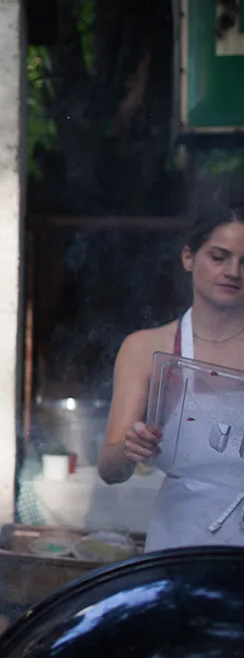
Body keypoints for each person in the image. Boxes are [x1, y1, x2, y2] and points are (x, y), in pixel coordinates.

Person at [99, 206, 244, 551]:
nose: (233, 272)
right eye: (219, 257)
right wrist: (130, 448)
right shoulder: (147, 348)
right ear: (188, 257)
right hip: (179, 543)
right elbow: (110, 470)